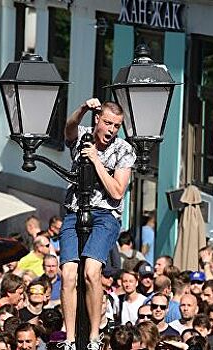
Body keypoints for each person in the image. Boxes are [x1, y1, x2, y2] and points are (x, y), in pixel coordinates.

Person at [59, 98, 136, 350]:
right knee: (68, 274)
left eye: (117, 125)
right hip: (74, 210)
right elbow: (69, 127)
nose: (112, 130)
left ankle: (93, 336)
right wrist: (81, 108)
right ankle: (70, 339)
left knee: (92, 271)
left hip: (105, 215)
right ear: (97, 120)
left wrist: (96, 161)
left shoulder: (124, 150)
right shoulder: (83, 137)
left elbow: (116, 192)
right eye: (107, 123)